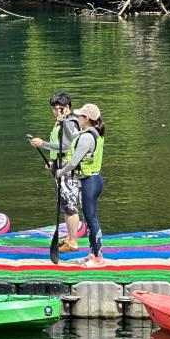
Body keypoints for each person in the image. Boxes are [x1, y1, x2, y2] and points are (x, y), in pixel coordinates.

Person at [29, 92, 82, 252]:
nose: (56, 111)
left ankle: (73, 241)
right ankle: (69, 237)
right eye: (54, 108)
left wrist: (42, 144)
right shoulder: (61, 122)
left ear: (68, 108)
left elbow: (66, 146)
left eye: (60, 108)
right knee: (65, 205)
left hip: (68, 170)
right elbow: (59, 147)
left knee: (70, 205)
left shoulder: (70, 122)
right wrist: (53, 162)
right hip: (60, 166)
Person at [58, 103, 105, 266]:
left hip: (90, 182)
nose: (77, 118)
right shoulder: (94, 133)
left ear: (86, 119)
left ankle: (98, 257)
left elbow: (73, 162)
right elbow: (70, 140)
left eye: (79, 116)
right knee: (89, 217)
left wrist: (59, 172)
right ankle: (92, 254)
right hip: (93, 180)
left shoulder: (86, 137)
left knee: (91, 219)